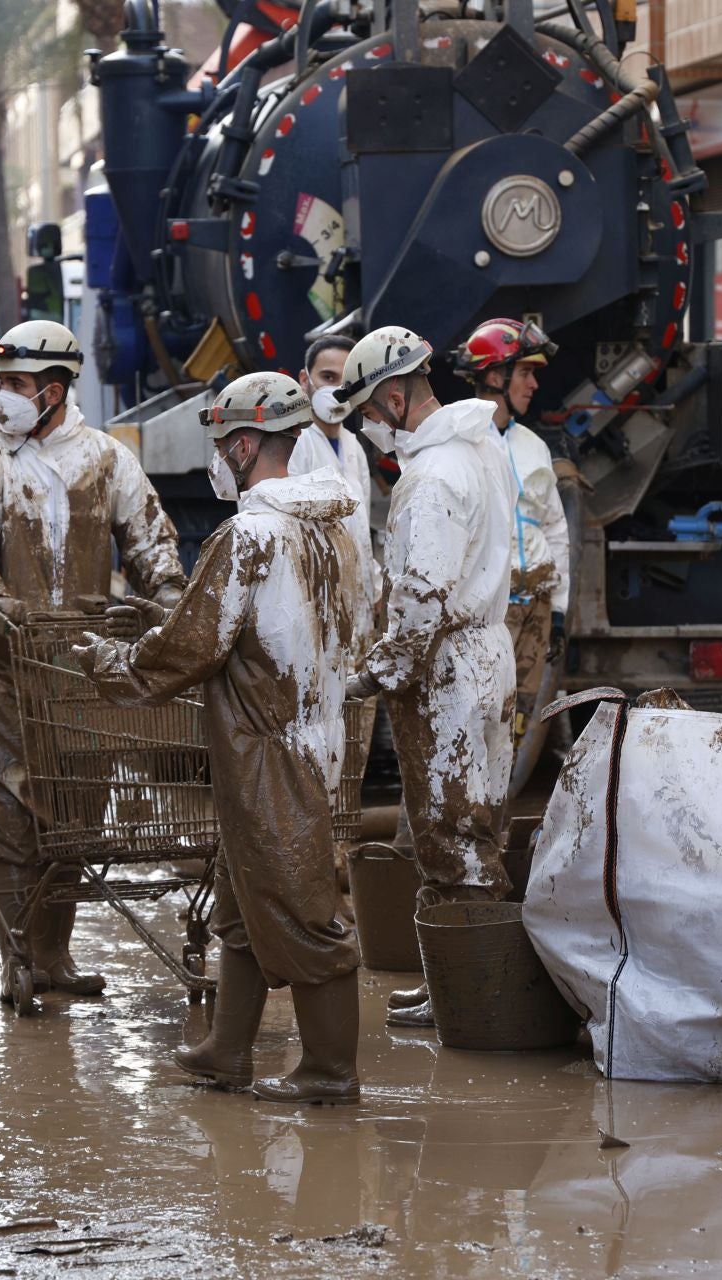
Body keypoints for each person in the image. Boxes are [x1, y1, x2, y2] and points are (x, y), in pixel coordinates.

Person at [72, 372, 369, 1103]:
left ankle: (330, 1070)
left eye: (218, 446)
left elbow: (190, 648)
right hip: (315, 730)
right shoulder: (335, 531)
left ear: (243, 445)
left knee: (304, 911)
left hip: (268, 746)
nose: (216, 460)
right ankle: (225, 1050)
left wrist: (111, 665)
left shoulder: (250, 535)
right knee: (243, 895)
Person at [0, 319, 186, 1000]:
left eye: (15, 386)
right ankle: (17, 962)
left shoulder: (107, 461)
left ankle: (55, 958)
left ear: (52, 390)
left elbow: (154, 550)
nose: (2, 399)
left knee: (75, 808)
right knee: (4, 811)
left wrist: (171, 612)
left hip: (78, 666)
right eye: (1, 385)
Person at [318, 326, 516, 1031]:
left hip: (449, 669)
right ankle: (457, 985)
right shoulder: (480, 447)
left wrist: (368, 676)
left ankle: (477, 995)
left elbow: (422, 600)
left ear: (398, 398)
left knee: (450, 832)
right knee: (474, 823)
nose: (368, 427)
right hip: (487, 651)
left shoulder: (431, 479)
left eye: (371, 411)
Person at [454, 318, 570, 748]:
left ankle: (501, 813)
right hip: (486, 616)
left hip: (535, 608)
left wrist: (558, 610)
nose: (534, 384)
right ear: (493, 375)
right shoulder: (459, 443)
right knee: (474, 730)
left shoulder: (533, 446)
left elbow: (555, 529)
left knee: (516, 730)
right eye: (525, 372)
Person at [291, 335, 380, 619]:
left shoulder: (353, 446)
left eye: (345, 383)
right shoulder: (293, 443)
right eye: (327, 377)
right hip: (314, 604)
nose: (336, 390)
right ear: (305, 379)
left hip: (358, 601)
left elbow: (361, 526)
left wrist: (375, 588)